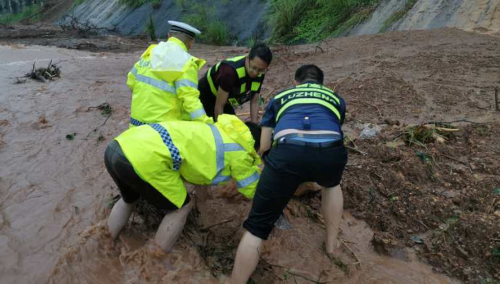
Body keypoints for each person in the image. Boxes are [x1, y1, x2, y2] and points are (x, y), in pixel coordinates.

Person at [231, 65, 348, 283]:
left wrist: (271, 167)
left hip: (288, 154)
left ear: (296, 82)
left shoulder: (281, 97)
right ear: (321, 84)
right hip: (331, 153)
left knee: (256, 230)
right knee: (332, 184)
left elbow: (264, 145)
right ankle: (332, 245)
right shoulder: (335, 98)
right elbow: (332, 129)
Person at [104, 114, 261, 252]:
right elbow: (252, 190)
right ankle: (153, 260)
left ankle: (105, 242)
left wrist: (205, 199)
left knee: (129, 200)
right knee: (181, 208)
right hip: (143, 159)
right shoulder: (241, 152)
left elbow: (198, 170)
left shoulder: (215, 131)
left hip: (117, 146)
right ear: (255, 147)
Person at [127, 21, 212, 128]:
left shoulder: (149, 53)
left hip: (136, 124)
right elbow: (190, 99)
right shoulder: (187, 63)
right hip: (162, 129)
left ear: (169, 35)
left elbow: (130, 82)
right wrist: (206, 124)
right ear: (191, 42)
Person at [198, 43, 272, 123]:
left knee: (234, 126)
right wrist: (220, 129)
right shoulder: (229, 72)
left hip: (226, 98)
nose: (255, 72)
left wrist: (254, 126)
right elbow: (219, 105)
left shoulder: (261, 72)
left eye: (260, 70)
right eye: (253, 68)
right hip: (206, 95)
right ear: (247, 58)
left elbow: (254, 100)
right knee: (210, 126)